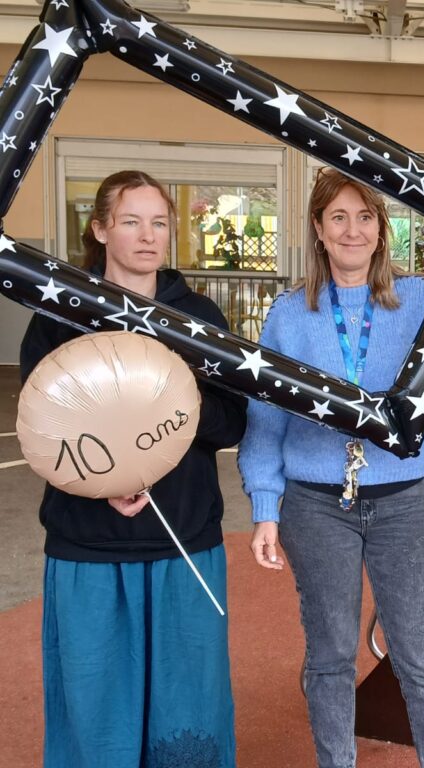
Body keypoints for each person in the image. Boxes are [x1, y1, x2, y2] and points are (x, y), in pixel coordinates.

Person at [238, 169, 424, 768]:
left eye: (366, 217)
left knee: (422, 657)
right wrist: (265, 506)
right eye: (339, 218)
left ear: (382, 228)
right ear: (319, 229)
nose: (353, 230)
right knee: (329, 658)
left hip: (402, 501)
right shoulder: (290, 313)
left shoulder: (422, 299)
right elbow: (265, 416)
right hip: (316, 504)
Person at [20, 170, 247, 768]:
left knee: (189, 719)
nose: (148, 236)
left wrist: (171, 397)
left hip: (183, 543)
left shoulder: (198, 316)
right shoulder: (59, 315)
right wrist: (104, 484)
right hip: (88, 547)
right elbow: (43, 426)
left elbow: (232, 423)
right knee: (97, 720)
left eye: (159, 223)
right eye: (130, 221)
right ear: (99, 229)